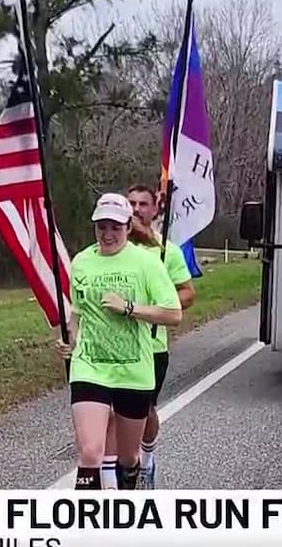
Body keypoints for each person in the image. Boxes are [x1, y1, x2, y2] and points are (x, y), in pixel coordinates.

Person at [54, 192, 183, 490]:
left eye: (115, 227)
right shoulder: (83, 261)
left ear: (127, 226)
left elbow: (173, 313)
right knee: (89, 454)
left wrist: (129, 308)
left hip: (133, 371)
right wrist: (69, 338)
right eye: (102, 227)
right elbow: (77, 311)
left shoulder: (146, 263)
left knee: (128, 456)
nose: (108, 234)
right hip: (90, 366)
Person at [98, 184, 197, 490]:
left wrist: (150, 307)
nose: (137, 208)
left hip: (151, 347)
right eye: (131, 203)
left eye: (143, 204)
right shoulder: (110, 247)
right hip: (110, 346)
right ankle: (112, 478)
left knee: (144, 412)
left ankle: (147, 459)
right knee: (111, 413)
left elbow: (188, 294)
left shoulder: (167, 251)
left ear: (155, 210)